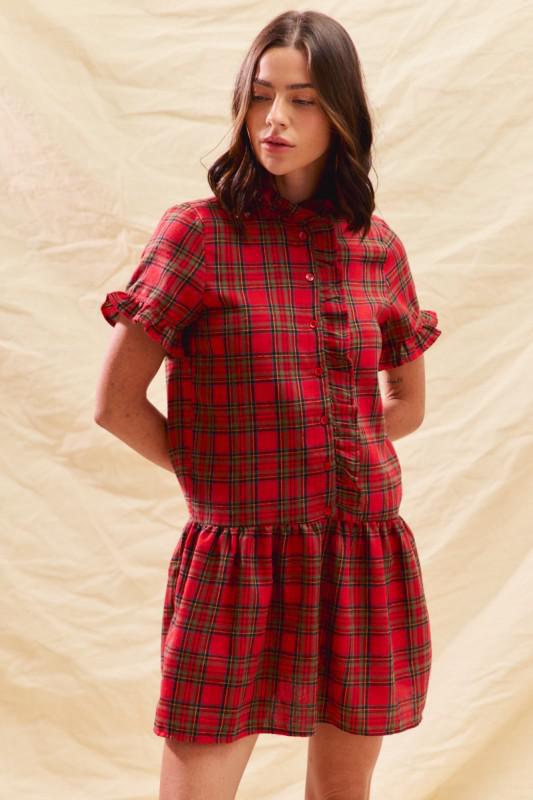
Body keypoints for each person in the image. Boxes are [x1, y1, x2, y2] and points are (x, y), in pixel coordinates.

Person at [94, 10, 442, 800]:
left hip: (360, 554)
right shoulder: (198, 235)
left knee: (343, 791)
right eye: (260, 96)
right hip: (238, 561)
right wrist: (225, 480)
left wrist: (335, 447)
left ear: (343, 113)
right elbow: (116, 406)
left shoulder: (375, 245)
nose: (275, 119)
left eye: (304, 99)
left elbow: (406, 405)